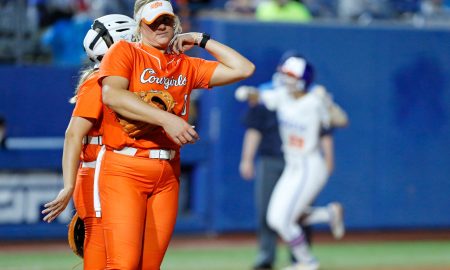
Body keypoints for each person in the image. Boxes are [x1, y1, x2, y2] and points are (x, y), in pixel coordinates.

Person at [96, 0, 255, 269]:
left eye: (166, 20)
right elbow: (112, 95)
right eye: (153, 21)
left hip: (167, 170)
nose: (161, 26)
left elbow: (244, 68)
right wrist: (166, 119)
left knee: (150, 265)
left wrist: (200, 39)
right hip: (126, 166)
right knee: (123, 264)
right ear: (140, 25)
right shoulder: (125, 52)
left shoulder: (185, 64)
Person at [41, 14, 137, 269]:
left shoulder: (114, 80)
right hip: (97, 172)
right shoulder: (98, 82)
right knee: (100, 241)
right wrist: (68, 185)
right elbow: (73, 134)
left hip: (111, 171)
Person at [236, 55, 345, 270]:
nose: (285, 79)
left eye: (290, 75)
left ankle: (307, 262)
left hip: (309, 165)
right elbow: (260, 96)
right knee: (275, 219)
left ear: (303, 79)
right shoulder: (283, 96)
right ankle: (328, 214)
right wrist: (248, 92)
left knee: (285, 221)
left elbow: (342, 120)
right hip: (293, 166)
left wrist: (327, 103)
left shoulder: (314, 100)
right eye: (284, 74)